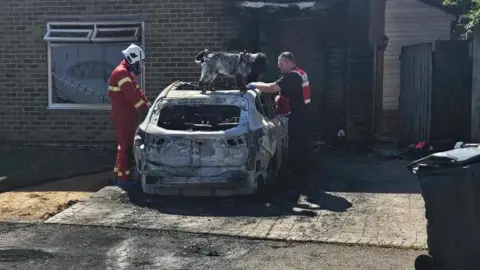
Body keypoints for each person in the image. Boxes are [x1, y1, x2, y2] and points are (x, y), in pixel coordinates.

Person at [247, 51, 312, 189]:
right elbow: (288, 90)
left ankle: (298, 180)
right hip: (304, 115)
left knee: (296, 148)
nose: (279, 67)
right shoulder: (301, 73)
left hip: (299, 117)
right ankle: (303, 177)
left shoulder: (292, 76)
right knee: (302, 147)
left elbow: (272, 87)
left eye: (281, 64)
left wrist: (254, 84)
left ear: (289, 62)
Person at [108, 43, 151, 189]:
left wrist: (148, 104)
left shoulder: (127, 73)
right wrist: (144, 108)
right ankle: (123, 180)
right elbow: (132, 95)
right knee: (125, 145)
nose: (140, 66)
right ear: (132, 58)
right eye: (139, 62)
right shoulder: (122, 73)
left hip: (127, 113)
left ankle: (118, 175)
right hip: (123, 113)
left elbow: (137, 91)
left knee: (127, 144)